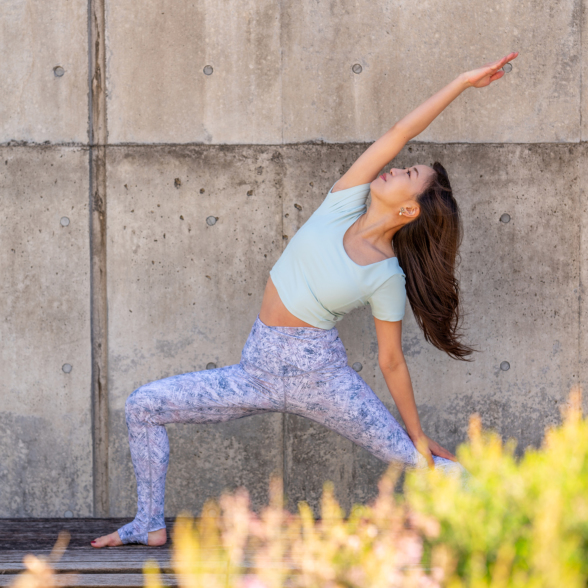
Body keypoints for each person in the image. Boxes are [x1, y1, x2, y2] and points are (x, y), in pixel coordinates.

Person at [91, 51, 518, 548]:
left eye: (407, 174)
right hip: (257, 370)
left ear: (407, 208)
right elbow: (400, 130)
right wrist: (462, 83)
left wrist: (417, 432)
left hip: (322, 378)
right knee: (144, 405)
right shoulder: (342, 202)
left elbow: (391, 360)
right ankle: (148, 523)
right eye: (403, 164)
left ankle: (515, 517)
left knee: (415, 458)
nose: (395, 167)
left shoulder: (385, 276)